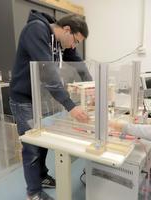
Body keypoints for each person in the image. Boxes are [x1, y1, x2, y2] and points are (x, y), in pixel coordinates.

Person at [9, 10, 92, 200]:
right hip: (24, 99)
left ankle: (42, 175)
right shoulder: (36, 31)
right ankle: (34, 192)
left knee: (44, 142)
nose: (74, 46)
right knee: (31, 147)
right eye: (76, 41)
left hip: (41, 98)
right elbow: (49, 75)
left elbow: (78, 62)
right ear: (67, 29)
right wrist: (71, 106)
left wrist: (91, 85)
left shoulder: (60, 38)